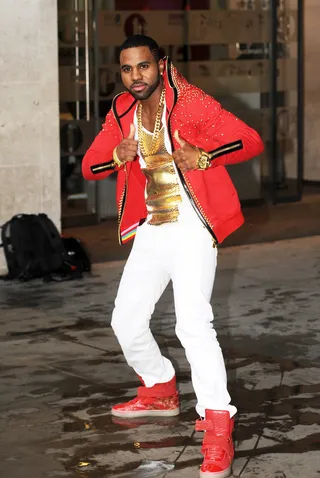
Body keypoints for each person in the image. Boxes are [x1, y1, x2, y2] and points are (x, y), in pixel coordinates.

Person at [82, 35, 264, 478]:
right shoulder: (122, 110)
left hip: (192, 227)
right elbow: (91, 165)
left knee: (192, 324)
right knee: (125, 319)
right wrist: (116, 155)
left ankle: (218, 423)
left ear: (160, 65)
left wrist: (204, 157)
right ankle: (160, 388)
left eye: (143, 67)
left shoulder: (191, 103)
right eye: (127, 69)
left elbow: (250, 140)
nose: (135, 77)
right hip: (152, 229)